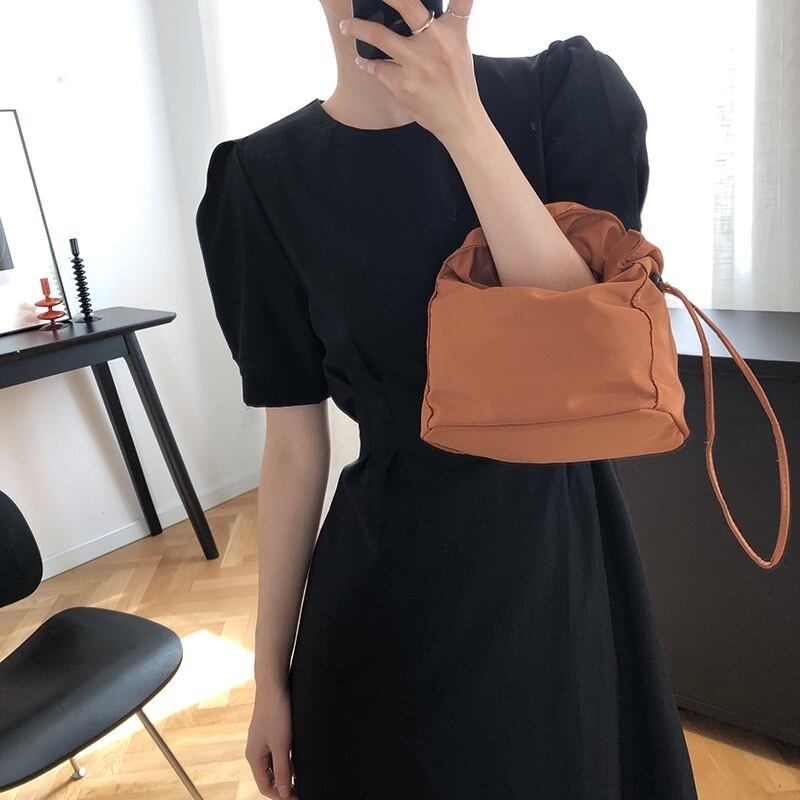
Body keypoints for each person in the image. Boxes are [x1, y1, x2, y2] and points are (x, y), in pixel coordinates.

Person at [195, 1, 699, 798]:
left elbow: (578, 344)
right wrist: (268, 675)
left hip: (554, 559)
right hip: (385, 589)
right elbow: (292, 445)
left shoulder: (560, 99)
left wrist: (462, 121)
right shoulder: (261, 178)